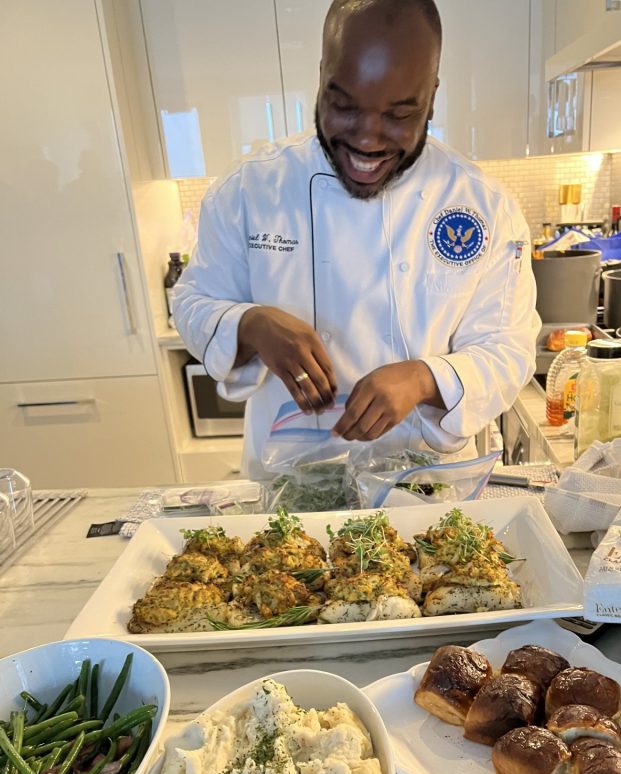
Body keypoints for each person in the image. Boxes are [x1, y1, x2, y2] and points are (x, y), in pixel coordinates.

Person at [173, 0, 540, 480]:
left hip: (425, 487)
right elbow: (193, 302)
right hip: (289, 487)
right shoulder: (250, 189)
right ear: (322, 77)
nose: (368, 139)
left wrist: (424, 377)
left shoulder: (483, 206)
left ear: (431, 95)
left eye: (399, 115)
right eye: (343, 106)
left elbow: (509, 349)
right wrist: (251, 324)